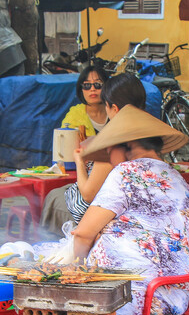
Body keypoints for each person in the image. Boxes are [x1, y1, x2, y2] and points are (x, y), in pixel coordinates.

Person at [73, 106, 189, 315]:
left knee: (60, 305)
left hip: (135, 292)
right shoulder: (179, 179)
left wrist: (74, 271)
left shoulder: (126, 172)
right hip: (174, 292)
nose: (110, 159)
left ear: (127, 146)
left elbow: (83, 234)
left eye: (109, 150)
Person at [40, 72, 147, 234]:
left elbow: (89, 195)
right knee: (65, 189)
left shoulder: (113, 142)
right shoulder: (152, 134)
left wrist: (79, 162)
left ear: (114, 108)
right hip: (138, 207)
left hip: (105, 214)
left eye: (106, 105)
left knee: (54, 196)